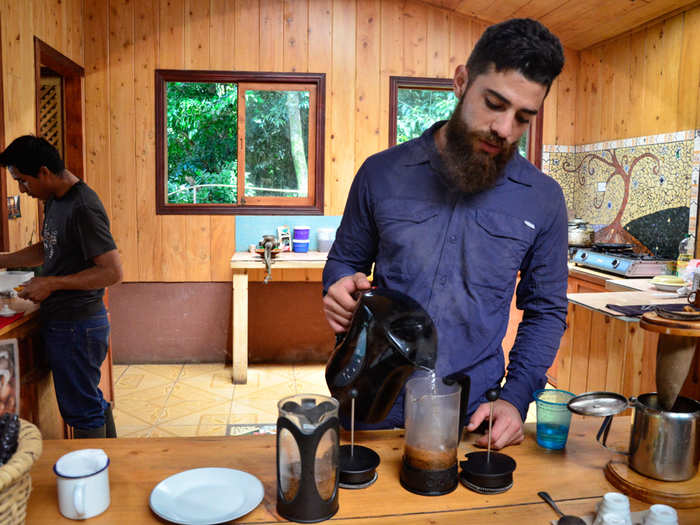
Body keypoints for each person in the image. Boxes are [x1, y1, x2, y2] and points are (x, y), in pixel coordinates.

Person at [322, 18, 568, 450]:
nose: (505, 129)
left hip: (475, 419)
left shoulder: (543, 199)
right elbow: (346, 261)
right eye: (494, 103)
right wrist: (339, 286)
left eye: (523, 118)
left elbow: (545, 310)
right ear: (461, 81)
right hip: (371, 401)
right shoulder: (381, 174)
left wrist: (515, 398)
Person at [0, 135, 122, 438]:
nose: (21, 190)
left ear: (44, 171)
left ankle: (93, 479)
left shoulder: (83, 206)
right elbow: (48, 247)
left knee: (82, 411)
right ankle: (111, 467)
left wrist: (51, 284)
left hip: (77, 325)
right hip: (68, 323)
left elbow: (111, 271)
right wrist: (2, 259)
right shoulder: (56, 200)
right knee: (88, 402)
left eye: (23, 181)